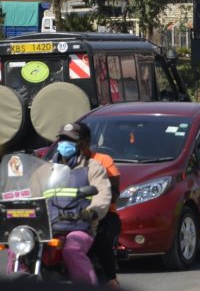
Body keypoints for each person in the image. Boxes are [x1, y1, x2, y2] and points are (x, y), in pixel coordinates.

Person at [48, 123, 112, 285]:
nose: (64, 143)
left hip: (80, 226)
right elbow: (30, 190)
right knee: (20, 246)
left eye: (69, 140)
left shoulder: (92, 167)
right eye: (62, 138)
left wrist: (92, 212)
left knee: (72, 250)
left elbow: (103, 195)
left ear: (82, 144)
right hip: (48, 228)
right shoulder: (46, 169)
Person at [79, 123, 122, 289]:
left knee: (100, 233)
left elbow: (113, 193)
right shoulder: (59, 163)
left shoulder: (103, 161)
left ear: (87, 141)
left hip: (102, 214)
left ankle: (110, 278)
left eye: (77, 141)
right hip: (68, 214)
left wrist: (94, 208)